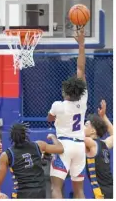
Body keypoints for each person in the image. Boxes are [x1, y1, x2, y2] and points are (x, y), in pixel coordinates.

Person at [47, 27, 88, 199]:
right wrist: (81, 45)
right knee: (79, 190)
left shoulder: (58, 105)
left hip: (63, 146)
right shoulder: (83, 99)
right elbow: (80, 69)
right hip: (80, 146)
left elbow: (49, 119)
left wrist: (53, 117)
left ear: (66, 92)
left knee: (56, 188)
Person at [0, 123, 64, 199]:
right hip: (40, 191)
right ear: (25, 134)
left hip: (22, 193)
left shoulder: (6, 155)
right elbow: (60, 149)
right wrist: (54, 137)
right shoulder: (39, 145)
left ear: (11, 136)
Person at [84, 99, 113, 199]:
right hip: (112, 188)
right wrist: (103, 116)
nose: (83, 127)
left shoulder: (90, 143)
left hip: (100, 192)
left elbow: (75, 135)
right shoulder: (105, 143)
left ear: (92, 130)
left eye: (86, 125)